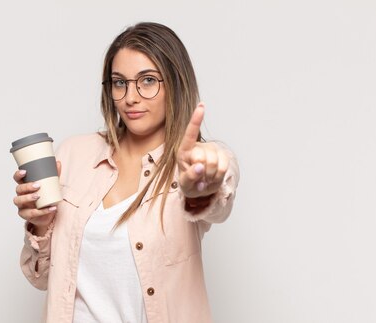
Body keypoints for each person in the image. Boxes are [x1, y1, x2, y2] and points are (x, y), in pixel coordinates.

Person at [12, 22, 240, 323]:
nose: (130, 97)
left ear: (175, 83)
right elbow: (42, 279)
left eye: (147, 81)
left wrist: (202, 189)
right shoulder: (73, 154)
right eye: (120, 82)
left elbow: (217, 200)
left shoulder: (199, 161)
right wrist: (39, 226)